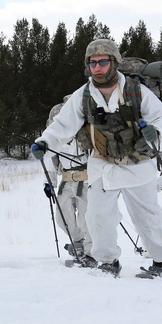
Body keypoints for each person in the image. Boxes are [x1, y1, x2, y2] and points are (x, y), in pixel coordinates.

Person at [32, 39, 162, 278]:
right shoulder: (83, 95)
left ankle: (161, 262)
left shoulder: (136, 90)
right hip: (102, 165)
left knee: (146, 217)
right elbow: (63, 125)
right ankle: (108, 262)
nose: (97, 67)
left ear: (114, 62)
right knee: (98, 216)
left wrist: (157, 133)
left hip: (138, 164)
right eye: (93, 62)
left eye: (103, 62)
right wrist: (45, 143)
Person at [43, 101, 95, 266]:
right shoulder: (56, 140)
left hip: (87, 181)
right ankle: (77, 243)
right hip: (66, 182)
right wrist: (48, 183)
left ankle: (91, 253)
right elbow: (49, 160)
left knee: (86, 220)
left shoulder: (87, 135)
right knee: (62, 218)